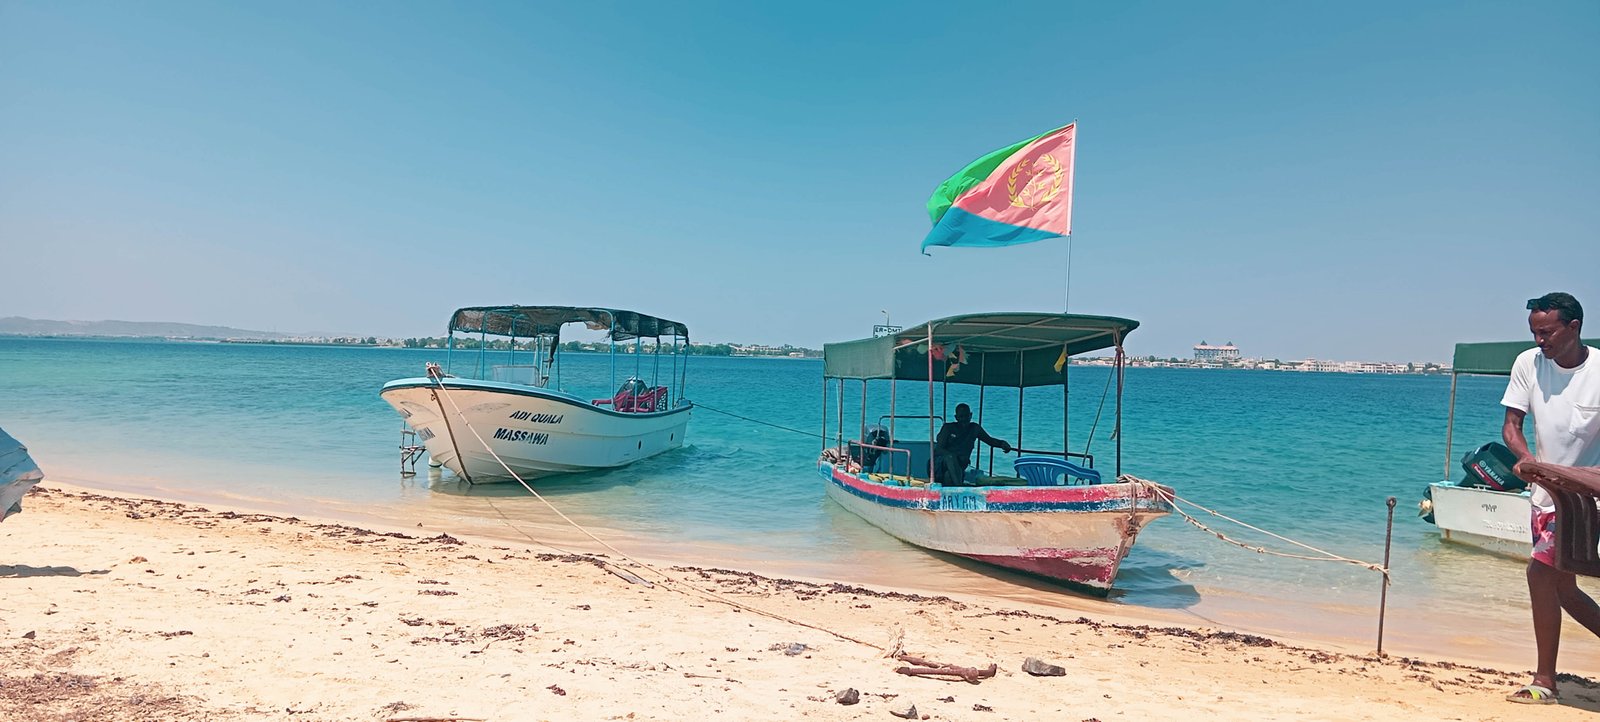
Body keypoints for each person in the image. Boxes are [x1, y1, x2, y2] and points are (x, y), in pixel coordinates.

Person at [1500, 292, 1600, 704]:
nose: (1540, 341)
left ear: (1574, 328)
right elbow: (1511, 424)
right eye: (1535, 333)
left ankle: (1544, 681)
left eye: (1548, 332)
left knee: (1540, 574)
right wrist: (1525, 459)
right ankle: (1545, 679)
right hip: (1543, 495)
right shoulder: (1528, 363)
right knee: (1563, 589)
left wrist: (1574, 477)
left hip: (1586, 498)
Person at [933, 403, 1012, 485]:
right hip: (939, 465)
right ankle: (959, 488)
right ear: (956, 417)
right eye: (961, 416)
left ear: (970, 415)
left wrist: (1002, 443)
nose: (964, 419)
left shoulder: (974, 428)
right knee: (950, 457)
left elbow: (990, 441)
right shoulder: (948, 428)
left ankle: (956, 490)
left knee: (949, 476)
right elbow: (939, 449)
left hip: (957, 468)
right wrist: (955, 458)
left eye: (966, 416)